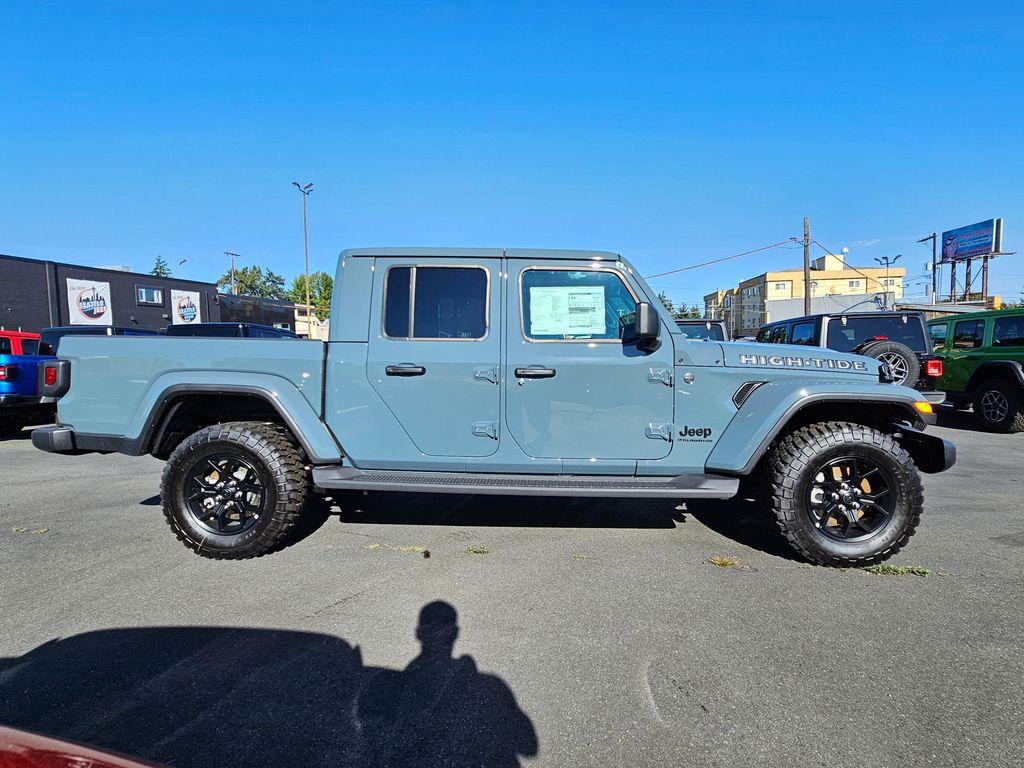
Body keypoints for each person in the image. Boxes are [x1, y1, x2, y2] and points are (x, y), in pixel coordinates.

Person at [356, 601, 538, 767]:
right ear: (455, 634)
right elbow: (529, 746)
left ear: (419, 634)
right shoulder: (488, 685)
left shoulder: (390, 689)